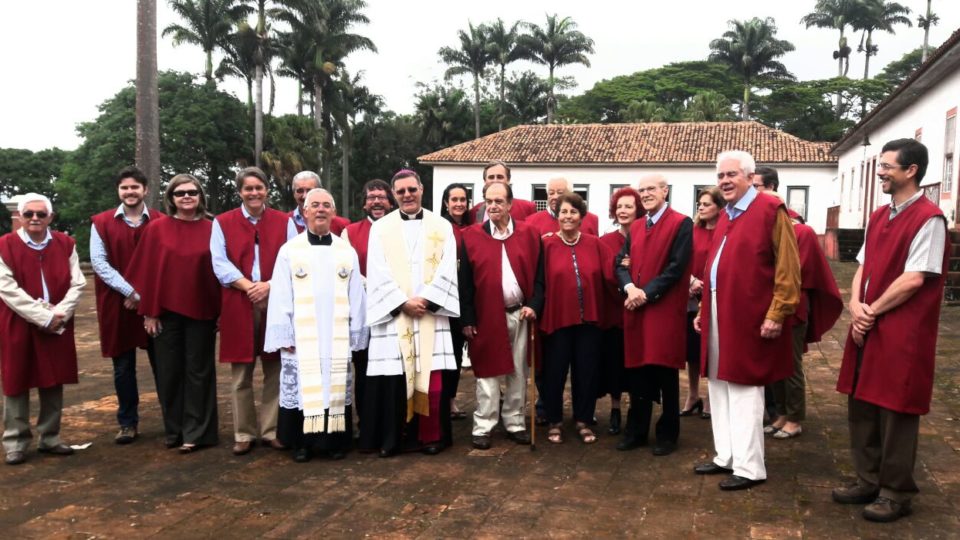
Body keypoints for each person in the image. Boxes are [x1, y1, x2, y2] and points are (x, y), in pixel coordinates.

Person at [833, 139, 949, 523]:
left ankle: (896, 491)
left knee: (896, 406)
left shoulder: (929, 219)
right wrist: (855, 304)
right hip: (871, 321)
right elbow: (862, 266)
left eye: (886, 166)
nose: (880, 172)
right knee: (862, 400)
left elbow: (915, 278)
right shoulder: (880, 215)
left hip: (902, 328)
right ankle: (867, 478)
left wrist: (871, 312)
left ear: (910, 170)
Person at [693, 150, 800, 491]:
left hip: (750, 315)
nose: (724, 181)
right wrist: (701, 310)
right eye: (720, 175)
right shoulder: (726, 215)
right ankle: (725, 455)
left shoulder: (770, 210)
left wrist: (778, 311)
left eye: (732, 174)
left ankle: (750, 467)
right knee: (718, 384)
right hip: (716, 310)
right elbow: (715, 266)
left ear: (751, 177)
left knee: (744, 389)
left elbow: (788, 267)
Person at [360, 169, 460, 457]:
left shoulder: (441, 226)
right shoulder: (380, 228)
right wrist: (402, 303)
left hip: (429, 313)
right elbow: (376, 271)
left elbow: (447, 267)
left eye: (411, 190)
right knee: (395, 380)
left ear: (421, 189)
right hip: (397, 315)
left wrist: (427, 300)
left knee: (432, 379)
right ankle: (396, 438)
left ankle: (431, 437)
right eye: (401, 191)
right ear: (394, 195)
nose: (407, 195)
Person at [265, 188, 367, 463]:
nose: (320, 210)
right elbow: (280, 295)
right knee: (304, 388)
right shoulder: (290, 251)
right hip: (303, 335)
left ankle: (335, 442)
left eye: (326, 205)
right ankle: (302, 444)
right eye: (315, 205)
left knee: (334, 387)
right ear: (305, 211)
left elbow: (356, 295)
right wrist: (283, 332)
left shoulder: (346, 252)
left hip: (336, 335)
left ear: (333, 213)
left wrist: (357, 330)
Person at [126, 175, 221, 453]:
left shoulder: (212, 228)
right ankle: (175, 429)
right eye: (180, 193)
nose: (187, 197)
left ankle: (198, 432)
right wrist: (149, 313)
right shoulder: (157, 229)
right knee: (169, 373)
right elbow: (148, 272)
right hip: (165, 313)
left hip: (202, 311)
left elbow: (219, 271)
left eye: (192, 192)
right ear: (171, 198)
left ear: (201, 196)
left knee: (199, 373)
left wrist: (221, 312)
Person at [211, 166, 298, 456]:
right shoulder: (222, 222)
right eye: (248, 188)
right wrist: (250, 287)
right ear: (240, 192)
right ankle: (243, 432)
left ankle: (272, 429)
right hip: (239, 300)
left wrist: (269, 286)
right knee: (241, 374)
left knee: (276, 369)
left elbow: (291, 259)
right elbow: (220, 263)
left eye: (258, 187)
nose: (254, 193)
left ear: (266, 191)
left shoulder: (282, 221)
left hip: (275, 300)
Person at [753, 166, 843, 441]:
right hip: (766, 306)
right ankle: (780, 413)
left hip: (791, 308)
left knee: (790, 366)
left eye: (756, 186)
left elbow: (794, 273)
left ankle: (794, 418)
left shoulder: (799, 230)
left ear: (770, 188)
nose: (752, 191)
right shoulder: (758, 224)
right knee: (773, 364)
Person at [0, 194, 85, 466]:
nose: (35, 218)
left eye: (40, 214)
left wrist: (59, 313)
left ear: (50, 216)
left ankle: (50, 437)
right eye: (29, 214)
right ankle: (15, 441)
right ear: (20, 217)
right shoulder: (5, 246)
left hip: (58, 321)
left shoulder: (65, 244)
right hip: (18, 321)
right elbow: (6, 288)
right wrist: (42, 317)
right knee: (16, 379)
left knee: (53, 377)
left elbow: (78, 283)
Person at [459, 181, 544, 449]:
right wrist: (468, 319)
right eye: (488, 201)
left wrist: (534, 304)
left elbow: (540, 276)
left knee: (518, 371)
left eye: (498, 201)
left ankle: (515, 423)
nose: (493, 206)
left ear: (510, 204)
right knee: (487, 373)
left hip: (520, 313)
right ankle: (483, 426)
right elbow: (465, 283)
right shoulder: (471, 236)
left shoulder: (530, 234)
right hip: (486, 315)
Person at [615, 175, 693, 456]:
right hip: (636, 309)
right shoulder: (636, 227)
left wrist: (644, 294)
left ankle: (668, 434)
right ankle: (636, 430)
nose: (646, 194)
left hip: (662, 309)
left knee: (664, 372)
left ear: (665, 191)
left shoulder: (681, 223)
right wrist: (629, 287)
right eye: (642, 190)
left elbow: (676, 267)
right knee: (637, 372)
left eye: (651, 189)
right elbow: (620, 262)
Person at [90, 166, 164, 445]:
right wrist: (132, 291)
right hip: (117, 304)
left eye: (135, 187)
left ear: (145, 190)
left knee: (163, 364)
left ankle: (172, 418)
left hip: (154, 304)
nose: (130, 192)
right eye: (124, 188)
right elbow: (99, 263)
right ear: (118, 191)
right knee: (123, 368)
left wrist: (145, 297)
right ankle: (128, 423)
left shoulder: (159, 220)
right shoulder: (101, 223)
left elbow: (163, 263)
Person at [540, 193, 614, 444]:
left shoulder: (596, 244)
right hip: (557, 320)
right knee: (555, 373)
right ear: (557, 216)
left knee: (586, 372)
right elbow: (536, 280)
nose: (568, 216)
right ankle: (554, 420)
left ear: (582, 216)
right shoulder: (546, 245)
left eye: (573, 212)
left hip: (589, 323)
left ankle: (583, 419)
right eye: (563, 212)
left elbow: (611, 275)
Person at [342, 179, 395, 426]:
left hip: (395, 310)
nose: (376, 201)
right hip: (363, 312)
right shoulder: (350, 233)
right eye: (371, 197)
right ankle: (366, 422)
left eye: (382, 197)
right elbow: (346, 270)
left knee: (392, 369)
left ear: (390, 201)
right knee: (363, 369)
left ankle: (391, 419)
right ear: (364, 203)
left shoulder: (400, 228)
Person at [597, 187, 642, 436]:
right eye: (620, 207)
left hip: (639, 311)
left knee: (635, 366)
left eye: (629, 206)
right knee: (614, 364)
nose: (623, 211)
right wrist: (621, 272)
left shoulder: (645, 237)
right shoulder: (606, 241)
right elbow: (604, 275)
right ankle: (615, 409)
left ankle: (636, 410)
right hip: (613, 313)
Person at [682, 187, 723, 420]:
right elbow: (682, 259)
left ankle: (710, 397)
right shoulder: (692, 231)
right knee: (692, 350)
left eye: (707, 204)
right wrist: (690, 281)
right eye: (700, 203)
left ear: (719, 207)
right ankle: (693, 394)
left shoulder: (725, 232)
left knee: (713, 349)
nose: (701, 207)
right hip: (690, 295)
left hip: (714, 296)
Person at [440, 183, 472, 425]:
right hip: (447, 299)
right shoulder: (439, 229)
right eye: (454, 199)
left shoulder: (475, 229)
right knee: (449, 353)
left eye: (463, 199)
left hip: (471, 299)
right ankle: (447, 400)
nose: (459, 203)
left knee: (469, 355)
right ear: (446, 203)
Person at [526, 177, 600, 236]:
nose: (555, 197)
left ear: (571, 193)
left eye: (560, 193)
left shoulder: (591, 220)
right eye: (551, 193)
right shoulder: (531, 222)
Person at [469, 160, 538, 223]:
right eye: (491, 177)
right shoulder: (474, 212)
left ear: (508, 180)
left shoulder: (527, 208)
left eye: (500, 177)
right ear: (485, 181)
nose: (495, 181)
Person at [289, 170, 350, 235]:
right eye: (300, 191)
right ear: (294, 194)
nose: (305, 196)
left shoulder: (342, 226)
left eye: (310, 190)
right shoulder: (285, 223)